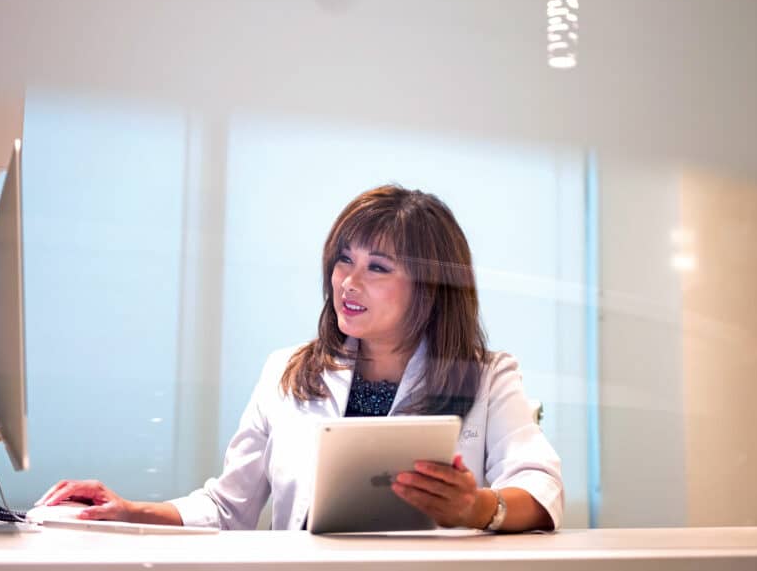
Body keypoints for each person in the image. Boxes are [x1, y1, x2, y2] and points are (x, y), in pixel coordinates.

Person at [37, 185, 564, 531]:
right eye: (343, 261)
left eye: (378, 268)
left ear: (431, 286)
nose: (348, 283)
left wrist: (477, 508)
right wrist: (130, 511)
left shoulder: (488, 376)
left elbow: (540, 488)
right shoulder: (287, 372)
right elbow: (227, 507)